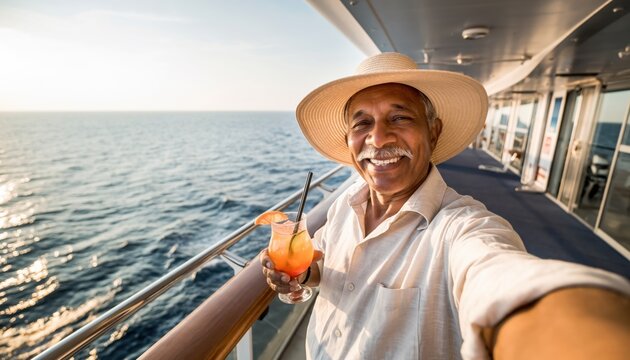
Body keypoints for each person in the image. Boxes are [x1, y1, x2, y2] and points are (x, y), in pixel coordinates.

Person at [260, 52, 630, 359]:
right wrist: (306, 275)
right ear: (349, 140)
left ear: (432, 132)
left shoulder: (461, 228)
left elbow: (497, 274)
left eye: (400, 117)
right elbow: (335, 273)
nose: (379, 137)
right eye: (363, 124)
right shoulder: (343, 205)